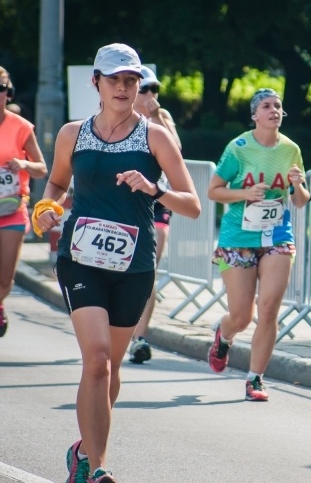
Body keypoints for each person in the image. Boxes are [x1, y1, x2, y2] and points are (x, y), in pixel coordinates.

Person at [32, 43, 201, 483]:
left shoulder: (154, 136)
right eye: (115, 80)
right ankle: (99, 468)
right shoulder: (73, 133)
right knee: (98, 359)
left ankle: (83, 452)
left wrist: (153, 188)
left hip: (134, 265)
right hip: (81, 259)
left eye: (131, 80)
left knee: (113, 367)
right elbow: (56, 182)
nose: (124, 88)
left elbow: (193, 206)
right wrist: (48, 207)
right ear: (96, 83)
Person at [206, 88, 310, 402]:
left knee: (268, 310)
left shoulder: (291, 149)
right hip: (238, 237)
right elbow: (214, 190)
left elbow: (301, 201)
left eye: (278, 106)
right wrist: (245, 195)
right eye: (266, 106)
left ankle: (256, 379)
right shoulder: (238, 148)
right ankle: (224, 337)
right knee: (241, 315)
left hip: (277, 237)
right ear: (255, 115)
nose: (274, 110)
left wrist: (296, 185)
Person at [128, 65, 181, 364]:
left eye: (154, 89)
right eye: (145, 88)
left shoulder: (162, 118)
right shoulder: (117, 117)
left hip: (155, 202)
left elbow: (177, 150)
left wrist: (158, 115)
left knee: (148, 270)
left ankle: (140, 338)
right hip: (120, 204)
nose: (150, 95)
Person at [0, 66, 47, 337]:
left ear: (9, 93)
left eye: (1, 89)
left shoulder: (21, 127)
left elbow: (42, 168)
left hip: (11, 209)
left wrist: (22, 164)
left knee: (6, 278)